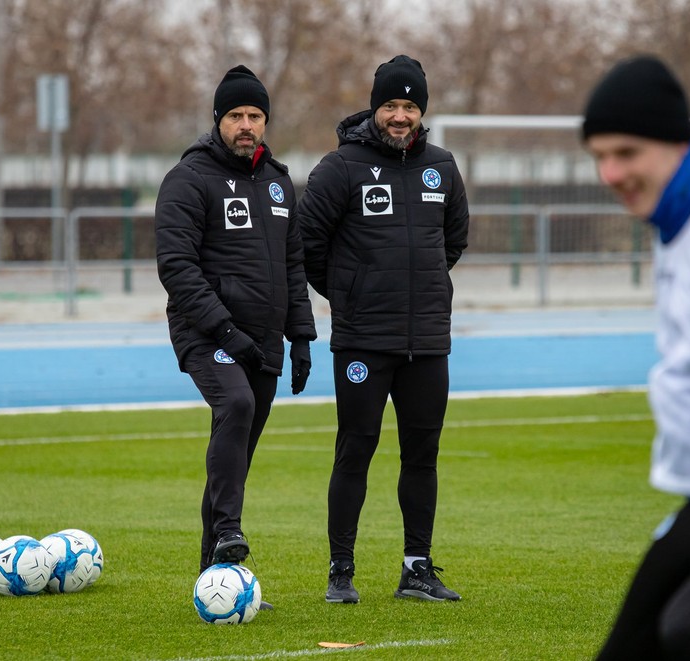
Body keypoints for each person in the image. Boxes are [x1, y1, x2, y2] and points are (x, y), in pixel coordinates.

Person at [582, 54, 690, 660]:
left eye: (626, 153)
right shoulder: (673, 219)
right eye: (599, 155)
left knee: (689, 635)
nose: (609, 172)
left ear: (677, 143)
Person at [297, 55, 469, 604]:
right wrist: (350, 295)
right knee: (356, 450)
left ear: (422, 111)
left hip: (427, 343)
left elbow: (454, 242)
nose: (401, 116)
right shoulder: (340, 167)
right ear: (375, 108)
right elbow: (307, 246)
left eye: (410, 106)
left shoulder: (442, 167)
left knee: (423, 455)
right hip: (363, 341)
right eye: (391, 105)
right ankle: (340, 572)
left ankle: (416, 568)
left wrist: (420, 291)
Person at [155, 65, 317, 592]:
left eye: (255, 116)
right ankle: (228, 531)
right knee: (237, 406)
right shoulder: (189, 178)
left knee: (236, 456)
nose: (246, 125)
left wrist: (302, 339)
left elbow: (294, 266)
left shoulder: (278, 182)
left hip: (265, 340)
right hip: (207, 334)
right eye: (236, 116)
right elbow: (176, 267)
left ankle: (215, 578)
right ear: (218, 120)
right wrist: (224, 332)